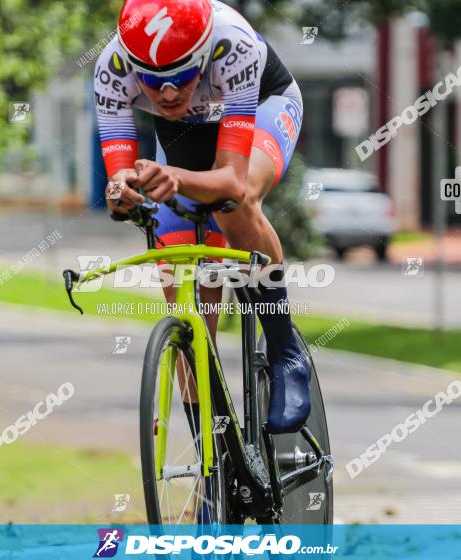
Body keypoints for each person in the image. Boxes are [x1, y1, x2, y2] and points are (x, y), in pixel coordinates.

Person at [94, 0, 310, 433]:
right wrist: (123, 194)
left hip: (264, 106)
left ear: (204, 56)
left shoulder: (234, 44)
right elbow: (118, 179)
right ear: (134, 66)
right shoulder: (111, 69)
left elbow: (231, 179)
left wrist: (172, 175)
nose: (169, 93)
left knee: (235, 203)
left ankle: (287, 351)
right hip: (180, 138)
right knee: (183, 291)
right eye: (154, 82)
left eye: (182, 77)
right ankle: (212, 471)